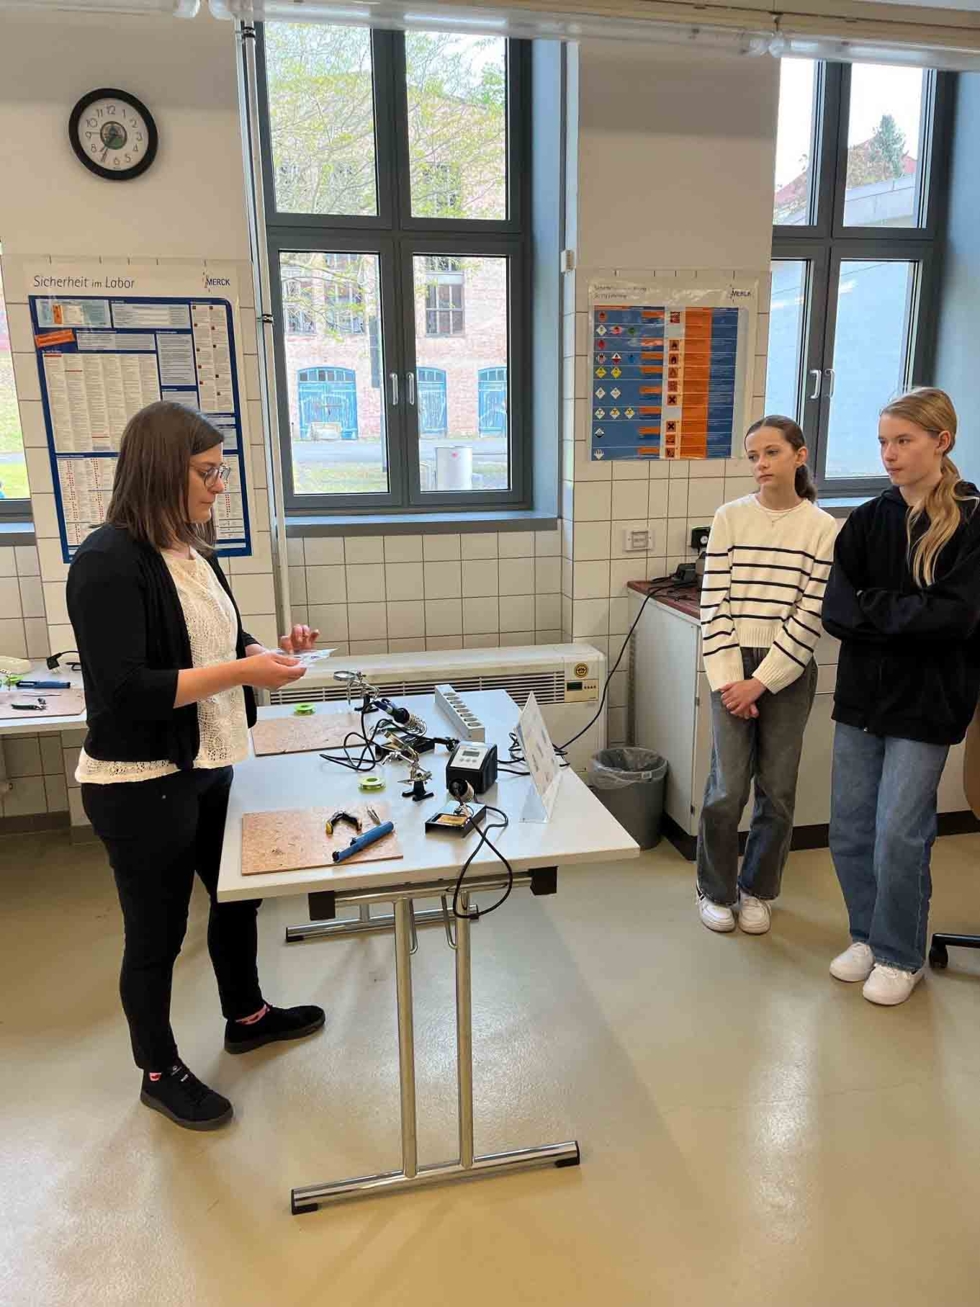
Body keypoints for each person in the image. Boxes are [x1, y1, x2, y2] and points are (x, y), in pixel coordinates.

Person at [67, 401, 325, 1130]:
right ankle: (159, 1069)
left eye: (221, 471)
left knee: (237, 896)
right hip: (140, 783)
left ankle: (245, 1013)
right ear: (160, 469)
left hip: (209, 760)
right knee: (156, 934)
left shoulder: (194, 548)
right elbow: (128, 691)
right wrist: (243, 673)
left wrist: (269, 650)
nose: (219, 486)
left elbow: (218, 641)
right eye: (208, 472)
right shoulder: (105, 561)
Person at [822, 387, 980, 1006]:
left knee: (901, 834)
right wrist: (903, 614)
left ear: (941, 441)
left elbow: (958, 618)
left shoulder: (971, 521)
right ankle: (865, 934)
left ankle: (899, 953)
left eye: (903, 441)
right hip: (862, 698)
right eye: (884, 441)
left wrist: (877, 608)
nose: (889, 454)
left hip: (928, 701)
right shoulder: (868, 519)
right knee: (852, 829)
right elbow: (838, 609)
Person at [697, 416, 837, 935]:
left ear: (799, 457)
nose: (760, 465)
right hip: (730, 664)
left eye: (772, 453)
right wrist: (735, 679)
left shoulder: (822, 529)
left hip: (788, 670)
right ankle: (715, 889)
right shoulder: (730, 518)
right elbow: (714, 604)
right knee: (726, 788)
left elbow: (811, 613)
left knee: (776, 790)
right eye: (754, 455)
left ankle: (757, 890)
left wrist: (765, 680)